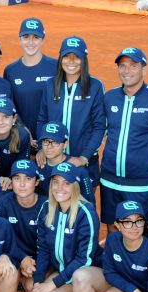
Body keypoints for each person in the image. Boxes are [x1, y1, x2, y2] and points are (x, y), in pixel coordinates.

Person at [30, 162, 107, 292]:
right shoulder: (46, 208)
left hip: (95, 274)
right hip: (66, 272)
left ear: (75, 186)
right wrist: (39, 282)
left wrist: (52, 283)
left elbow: (84, 260)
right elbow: (42, 249)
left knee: (80, 276)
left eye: (66, 183)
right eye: (56, 182)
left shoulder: (86, 213)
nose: (60, 188)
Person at [99, 47, 148, 227]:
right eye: (122, 66)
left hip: (140, 184)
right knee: (112, 228)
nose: (127, 71)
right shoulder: (109, 97)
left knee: (139, 231)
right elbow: (101, 131)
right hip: (109, 179)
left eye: (133, 66)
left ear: (144, 69)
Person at [36, 36, 106, 198]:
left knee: (83, 208)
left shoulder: (95, 86)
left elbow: (99, 126)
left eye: (77, 57)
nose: (71, 61)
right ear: (61, 58)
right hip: (54, 161)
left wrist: (84, 156)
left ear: (84, 59)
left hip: (82, 162)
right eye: (67, 56)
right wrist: (42, 146)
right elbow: (42, 119)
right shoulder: (51, 84)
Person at [0, 159, 46, 292]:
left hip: (39, 259)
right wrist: (21, 258)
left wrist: (38, 271)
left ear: (36, 182)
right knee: (5, 268)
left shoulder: (47, 205)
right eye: (17, 178)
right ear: (11, 181)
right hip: (13, 256)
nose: (22, 184)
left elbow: (48, 246)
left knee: (34, 289)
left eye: (28, 179)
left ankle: (24, 282)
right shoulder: (3, 203)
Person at [3, 18, 56, 130]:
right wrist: (23, 130)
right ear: (20, 40)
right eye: (26, 37)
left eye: (36, 37)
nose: (30, 42)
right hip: (22, 136)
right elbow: (11, 105)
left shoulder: (55, 67)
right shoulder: (10, 71)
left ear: (42, 40)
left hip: (51, 139)